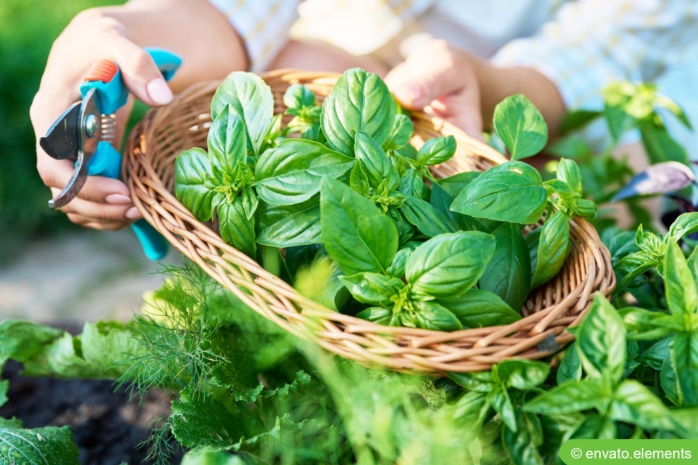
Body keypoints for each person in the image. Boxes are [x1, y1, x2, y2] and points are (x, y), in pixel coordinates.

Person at [30, 0, 698, 233]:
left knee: (633, 190)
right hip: (357, 59)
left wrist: (491, 87)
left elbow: (610, 46)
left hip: (545, 96)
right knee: (285, 75)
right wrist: (111, 32)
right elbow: (227, 13)